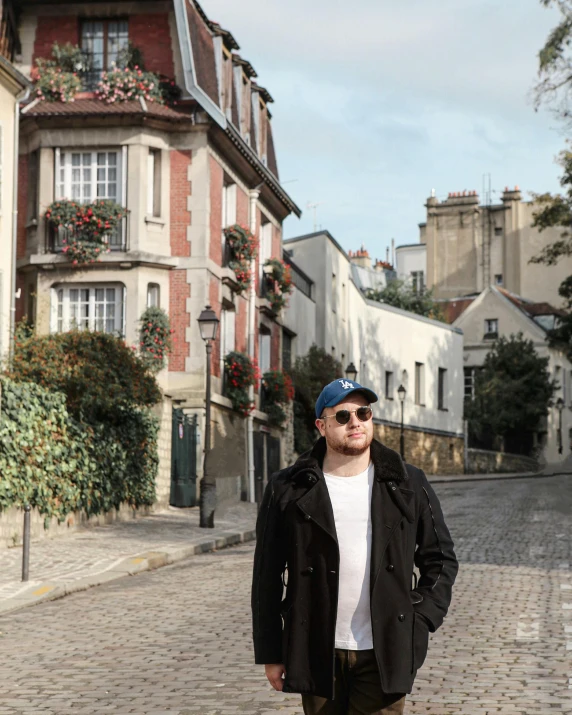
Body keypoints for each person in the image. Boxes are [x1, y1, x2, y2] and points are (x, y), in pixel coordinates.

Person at [251, 377, 459, 714]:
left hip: (384, 650)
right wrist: (271, 652)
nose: (356, 423)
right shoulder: (288, 488)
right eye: (343, 416)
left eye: (363, 413)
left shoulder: (407, 483)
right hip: (317, 649)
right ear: (321, 425)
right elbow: (266, 576)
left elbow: (441, 560)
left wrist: (419, 620)